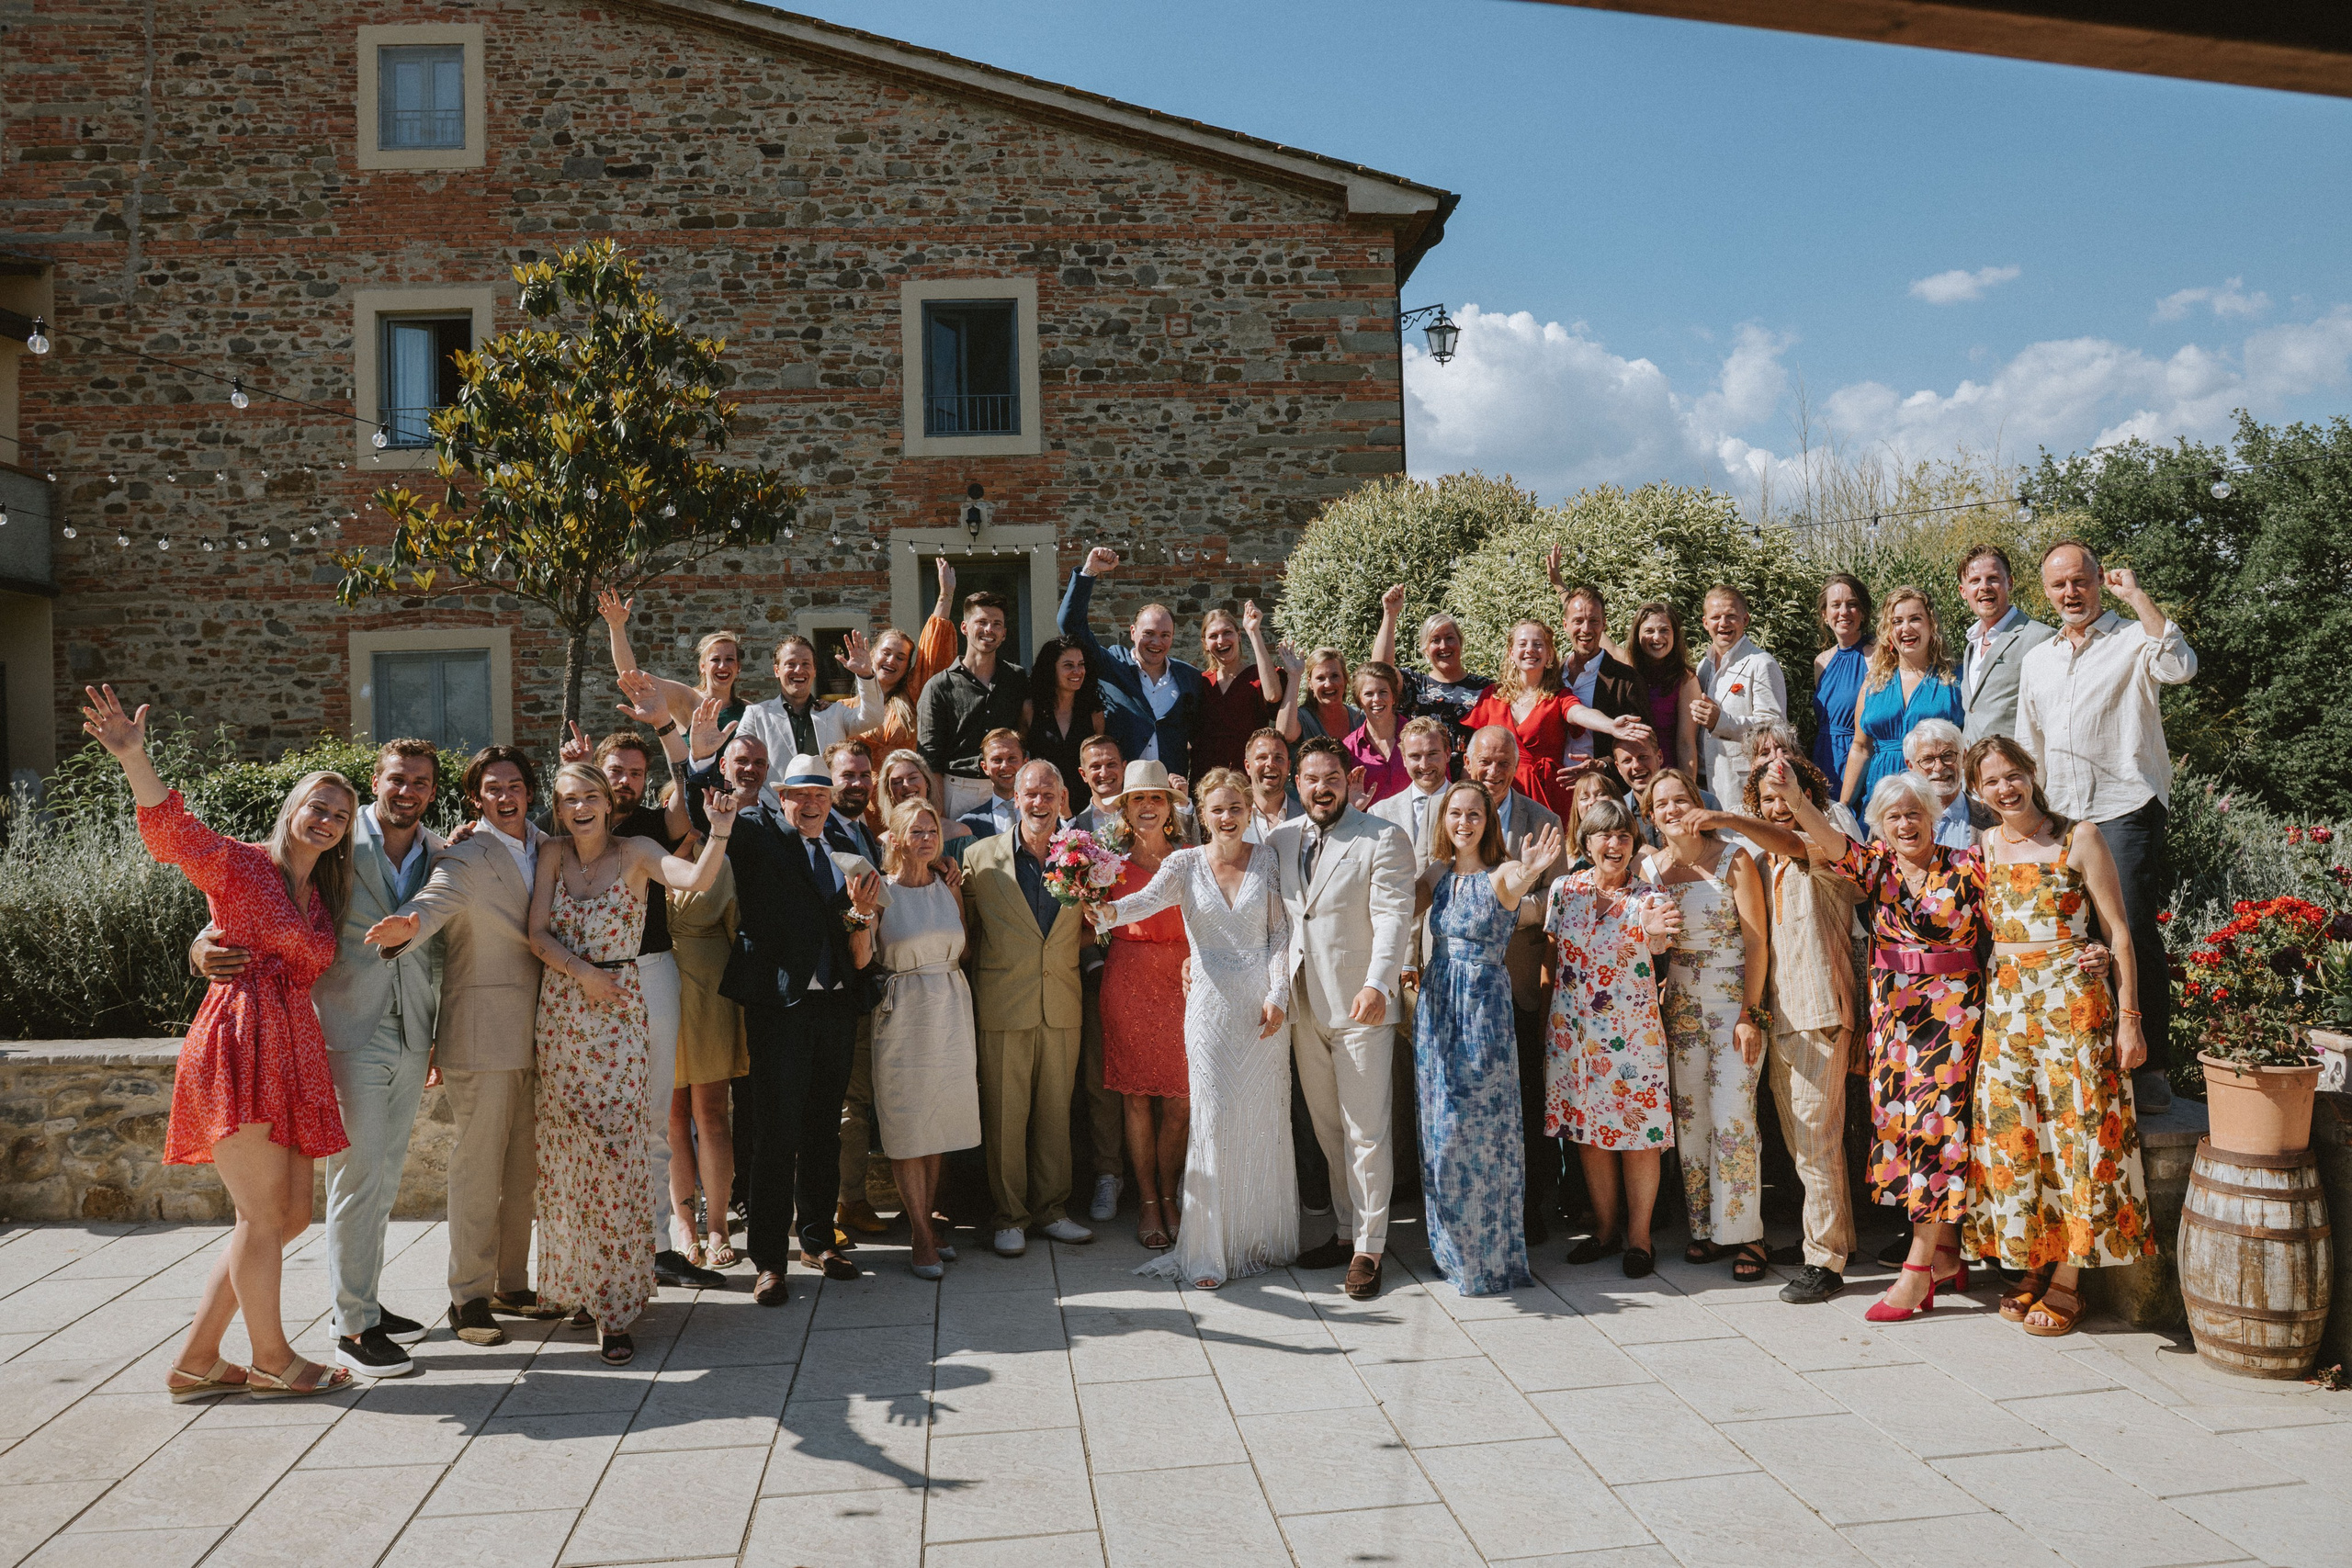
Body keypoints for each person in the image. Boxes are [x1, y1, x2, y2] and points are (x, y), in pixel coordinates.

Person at [84, 685, 357, 1401]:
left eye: (339, 815)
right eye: (317, 805)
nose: (326, 819)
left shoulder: (320, 895)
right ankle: (272, 1358)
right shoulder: (239, 864)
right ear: (292, 808)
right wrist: (134, 758)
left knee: (285, 1215)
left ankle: (198, 1360)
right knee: (267, 1215)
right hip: (239, 1043)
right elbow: (172, 833)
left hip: (290, 1048)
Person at [192, 739, 445, 1379]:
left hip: (412, 1030)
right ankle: (353, 1326)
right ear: (377, 781)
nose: (407, 789)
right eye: (396, 778)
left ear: (433, 791)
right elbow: (248, 899)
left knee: (380, 1180)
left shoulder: (440, 849)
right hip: (341, 1032)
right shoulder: (337, 839)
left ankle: (357, 1305)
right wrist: (202, 945)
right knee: (354, 1182)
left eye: (420, 780)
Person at [510, 764, 735, 1364]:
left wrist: (719, 831)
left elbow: (693, 878)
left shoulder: (636, 850)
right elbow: (536, 934)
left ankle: (615, 1306)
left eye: (590, 796)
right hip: (561, 1014)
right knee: (567, 1157)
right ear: (557, 807)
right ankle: (583, 1287)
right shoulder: (553, 853)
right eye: (568, 798)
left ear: (609, 803)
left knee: (617, 1153)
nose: (580, 806)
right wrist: (583, 973)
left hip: (619, 1017)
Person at [1769, 761, 1986, 1322]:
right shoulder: (1878, 868)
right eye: (1893, 816)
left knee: (1936, 1131)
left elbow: (2016, 924)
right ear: (1881, 826)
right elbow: (1826, 840)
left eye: (1914, 812)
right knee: (1903, 1130)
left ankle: (1917, 1269)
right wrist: (1795, 799)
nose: (1905, 824)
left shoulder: (1970, 867)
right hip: (1893, 1021)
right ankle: (1944, 1254)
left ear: (1933, 816)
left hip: (1951, 1019)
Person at [681, 728, 886, 1306]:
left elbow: (846, 922)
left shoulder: (845, 847)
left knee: (823, 1125)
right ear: (783, 797)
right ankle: (768, 1259)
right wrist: (698, 755)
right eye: (803, 795)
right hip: (779, 1004)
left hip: (837, 1001)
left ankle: (818, 1240)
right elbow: (704, 809)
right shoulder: (755, 833)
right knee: (774, 1132)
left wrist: (858, 916)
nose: (815, 804)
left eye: (823, 795)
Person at [1962, 736, 2155, 1336]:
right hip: (2009, 1013)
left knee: (2078, 1137)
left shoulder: (2081, 837)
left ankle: (2070, 1279)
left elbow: (2119, 935)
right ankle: (2033, 1262)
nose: (2005, 787)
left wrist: (2130, 1019)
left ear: (2030, 772)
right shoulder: (1985, 847)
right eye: (1991, 780)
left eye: (2013, 773)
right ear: (1978, 791)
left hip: (2074, 1012)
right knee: (2017, 1136)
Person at [368, 744, 558, 1348]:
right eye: (493, 788)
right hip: (481, 1031)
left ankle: (510, 1282)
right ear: (476, 798)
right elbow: (436, 896)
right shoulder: (466, 855)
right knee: (478, 1168)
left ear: (530, 789)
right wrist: (410, 925)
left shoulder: (547, 846)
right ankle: (467, 1297)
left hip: (542, 1030)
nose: (506, 795)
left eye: (515, 784)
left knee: (523, 1166)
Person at [1093, 769, 1296, 1288]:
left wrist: (1278, 994)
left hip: (1262, 1009)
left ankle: (1257, 1237)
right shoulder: (1183, 863)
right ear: (1200, 814)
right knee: (1208, 1116)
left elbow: (1280, 935)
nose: (1226, 817)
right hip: (1206, 1006)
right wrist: (1100, 905)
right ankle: (1207, 1249)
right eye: (1217, 809)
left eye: (1235, 808)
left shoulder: (1269, 860)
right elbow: (1139, 904)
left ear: (1249, 811)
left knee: (1259, 1116)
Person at [2015, 541, 2197, 1115]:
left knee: (2133, 928)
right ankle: (2091, 1061)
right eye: (2057, 585)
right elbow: (2027, 741)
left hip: (2124, 804)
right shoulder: (2037, 658)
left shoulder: (2132, 638)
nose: (2070, 593)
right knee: (2072, 936)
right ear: (2044, 592)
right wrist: (2028, 816)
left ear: (2100, 580)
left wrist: (2138, 597)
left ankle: (2152, 1068)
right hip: (2063, 814)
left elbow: (2180, 666)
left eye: (2081, 581)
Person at [1265, 738, 1416, 1301]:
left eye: (1331, 777)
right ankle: (1347, 1230)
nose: (1321, 787)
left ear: (1350, 779)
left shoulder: (1382, 837)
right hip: (1306, 1008)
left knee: (1366, 1131)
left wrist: (1379, 983)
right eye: (1310, 779)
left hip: (1361, 1005)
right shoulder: (1281, 839)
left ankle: (1370, 1250)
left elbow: (1394, 915)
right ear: (1296, 784)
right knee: (1329, 1131)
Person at [1712, 755, 1862, 1303]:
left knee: (1817, 1142)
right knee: (1802, 1143)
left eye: (1789, 799)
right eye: (1768, 802)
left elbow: (1796, 840)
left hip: (1819, 1010)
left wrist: (1728, 819)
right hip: (1781, 1016)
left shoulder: (1827, 844)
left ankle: (1827, 1261)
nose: (1779, 811)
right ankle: (1822, 1241)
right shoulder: (1764, 863)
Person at [591, 683, 726, 1292]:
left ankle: (654, 1241)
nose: (626, 778)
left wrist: (674, 734)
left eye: (635, 771)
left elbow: (694, 809)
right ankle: (602, 1246)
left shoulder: (650, 825)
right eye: (616, 769)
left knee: (654, 1115)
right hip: (586, 981)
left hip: (653, 973)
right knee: (596, 1117)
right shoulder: (564, 827)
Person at [1411, 783, 1564, 1295]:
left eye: (1474, 814)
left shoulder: (1500, 874)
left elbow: (1517, 881)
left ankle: (1488, 1255)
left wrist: (1533, 868)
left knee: (1480, 1131)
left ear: (1488, 820)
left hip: (1482, 1013)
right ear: (1443, 819)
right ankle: (1450, 1249)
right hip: (1437, 1005)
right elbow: (1393, 907)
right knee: (1441, 1129)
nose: (1463, 822)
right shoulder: (1435, 874)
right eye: (1455, 813)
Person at [964, 759, 1099, 1256]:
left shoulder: (1083, 857)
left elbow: (1093, 926)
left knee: (1055, 1114)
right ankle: (1010, 1216)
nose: (1039, 803)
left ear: (1062, 799)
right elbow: (966, 932)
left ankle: (1053, 1210)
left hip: (1061, 1002)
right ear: (1014, 799)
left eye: (1049, 794)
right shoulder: (979, 858)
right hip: (1004, 1003)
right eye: (1031, 795)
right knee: (1005, 1115)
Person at [1639, 767, 1770, 1279]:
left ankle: (1748, 1235)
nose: (1672, 810)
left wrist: (1750, 1014)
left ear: (1698, 804)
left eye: (1680, 800)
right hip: (1679, 1010)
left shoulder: (1735, 859)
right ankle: (1706, 1229)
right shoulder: (1650, 870)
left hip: (1733, 1003)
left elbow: (1757, 942)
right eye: (1661, 804)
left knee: (1734, 1117)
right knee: (1691, 1122)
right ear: (1650, 816)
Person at [1545, 795, 1680, 1279]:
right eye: (1604, 833)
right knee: (1590, 1137)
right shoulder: (1565, 890)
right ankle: (1604, 1231)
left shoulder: (1650, 899)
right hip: (1574, 1037)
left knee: (1639, 1137)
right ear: (1585, 841)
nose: (1614, 843)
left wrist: (1649, 928)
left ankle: (1639, 1238)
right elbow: (1553, 953)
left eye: (1624, 834)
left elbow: (1661, 943)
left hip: (1632, 1039)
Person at [1461, 725, 1571, 1242]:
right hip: (1465, 988)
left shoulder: (1543, 820)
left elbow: (1557, 901)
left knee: (1526, 1099)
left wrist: (1502, 907)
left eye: (1504, 762)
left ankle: (1529, 1208)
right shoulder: (1455, 819)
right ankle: (1481, 1201)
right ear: (1468, 762)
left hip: (1521, 984)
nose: (1494, 772)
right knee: (1475, 1101)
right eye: (1485, 761)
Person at [873, 797, 981, 1279]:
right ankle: (919, 1233)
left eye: (931, 830)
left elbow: (966, 943)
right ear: (895, 839)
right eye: (915, 832)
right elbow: (866, 956)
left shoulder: (947, 884)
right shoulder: (880, 891)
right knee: (907, 1122)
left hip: (951, 1008)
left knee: (937, 1120)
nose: (926, 839)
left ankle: (928, 1220)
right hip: (902, 1013)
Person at [1095, 761, 1194, 1250]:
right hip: (1128, 978)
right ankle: (1149, 1201)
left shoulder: (1193, 857)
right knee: (1135, 1098)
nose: (1149, 807)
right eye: (1139, 799)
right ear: (1126, 810)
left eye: (1157, 798)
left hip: (1184, 980)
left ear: (1171, 808)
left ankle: (1172, 1192)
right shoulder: (1103, 865)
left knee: (1181, 1099)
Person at [664, 791, 747, 1269]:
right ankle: (683, 1223)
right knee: (673, 1116)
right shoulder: (648, 851)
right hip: (657, 988)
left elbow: (738, 926)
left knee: (712, 1113)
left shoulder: (723, 858)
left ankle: (717, 1224)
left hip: (710, 991)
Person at [824, 739, 894, 1244]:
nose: (858, 783)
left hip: (862, 981)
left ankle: (851, 1200)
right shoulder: (821, 833)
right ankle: (832, 1206)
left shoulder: (861, 831)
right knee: (838, 1102)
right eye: (848, 775)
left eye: (865, 775)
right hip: (833, 985)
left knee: (856, 1100)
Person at [1060, 546, 1206, 775]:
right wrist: (1089, 572)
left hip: (1170, 793)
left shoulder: (1190, 678)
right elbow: (1070, 624)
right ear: (1132, 632)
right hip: (1121, 789)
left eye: (1164, 635)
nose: (1156, 642)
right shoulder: (1112, 666)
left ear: (1173, 637)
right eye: (1148, 633)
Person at [703, 632, 887, 809]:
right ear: (777, 670)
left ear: (814, 670)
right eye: (791, 664)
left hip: (831, 818)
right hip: (775, 818)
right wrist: (775, 810)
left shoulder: (834, 712)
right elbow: (741, 765)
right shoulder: (756, 715)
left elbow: (873, 717)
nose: (799, 670)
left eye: (806, 664)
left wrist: (865, 675)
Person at [1842, 586, 1964, 808]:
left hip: (1938, 797)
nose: (1905, 628)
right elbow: (1861, 748)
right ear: (1889, 631)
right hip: (1881, 795)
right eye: (1897, 622)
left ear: (1931, 626)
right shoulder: (1874, 683)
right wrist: (1844, 805)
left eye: (1915, 619)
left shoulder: (1955, 679)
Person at [919, 589, 1032, 820]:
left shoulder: (1017, 678)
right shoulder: (939, 686)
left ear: (1004, 633)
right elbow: (931, 758)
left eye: (996, 624)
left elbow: (1027, 732)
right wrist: (939, 815)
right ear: (964, 627)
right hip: (959, 792)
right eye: (981, 622)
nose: (989, 630)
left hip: (1009, 790)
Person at [1464, 619, 1579, 817]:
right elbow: (1473, 754)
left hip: (1548, 794)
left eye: (1538, 644)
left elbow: (1580, 714)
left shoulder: (1559, 696)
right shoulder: (1492, 695)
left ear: (1549, 655)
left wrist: (1612, 726)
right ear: (1511, 653)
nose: (1530, 650)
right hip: (1496, 790)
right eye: (1523, 644)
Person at [596, 589, 748, 734]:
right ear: (702, 667)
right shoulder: (686, 698)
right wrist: (616, 628)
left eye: (729, 659)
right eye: (715, 659)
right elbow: (632, 677)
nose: (722, 666)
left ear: (738, 667)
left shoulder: (749, 710)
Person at [1692, 586, 1788, 815]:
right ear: (1705, 623)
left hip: (1742, 783)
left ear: (1745, 619)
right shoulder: (1703, 666)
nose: (1723, 623)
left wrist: (1721, 722)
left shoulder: (1761, 663)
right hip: (1704, 784)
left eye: (1731, 616)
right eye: (1716, 617)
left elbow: (1775, 728)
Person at [1370, 585, 1493, 761]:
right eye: (1435, 640)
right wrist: (1390, 614)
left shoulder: (1485, 688)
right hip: (1425, 778)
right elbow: (1379, 673)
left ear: (1460, 643)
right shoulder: (1413, 685)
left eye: (1450, 638)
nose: (1444, 646)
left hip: (1469, 782)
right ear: (1425, 649)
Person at [867, 558, 966, 766]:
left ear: (907, 667)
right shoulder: (846, 707)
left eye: (900, 657)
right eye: (886, 653)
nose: (891, 660)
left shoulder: (912, 698)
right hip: (861, 795)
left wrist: (945, 595)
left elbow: (934, 649)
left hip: (903, 790)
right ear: (872, 654)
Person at [1956, 544, 2053, 746]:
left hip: (2016, 771)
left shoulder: (2040, 638)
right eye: (1975, 581)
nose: (1984, 586)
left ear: (2009, 583)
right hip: (1973, 773)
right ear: (1963, 591)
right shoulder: (1970, 646)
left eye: (1993, 578)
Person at [1554, 583, 1652, 777]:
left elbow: (1642, 742)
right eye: (1578, 621)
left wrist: (1603, 766)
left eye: (1593, 621)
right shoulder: (1551, 677)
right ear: (1565, 625)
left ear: (1604, 624)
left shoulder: (1626, 681)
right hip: (1553, 789)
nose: (1586, 629)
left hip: (1603, 788)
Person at [1193, 601, 1283, 775]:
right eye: (1213, 636)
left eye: (1227, 633)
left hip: (1247, 776)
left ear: (1238, 636)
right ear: (1204, 643)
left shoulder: (1257, 676)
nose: (1221, 641)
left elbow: (1273, 696)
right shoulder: (1199, 682)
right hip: (1206, 777)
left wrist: (1254, 632)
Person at [1026, 634, 1107, 811]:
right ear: (1051, 669)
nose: (1077, 671)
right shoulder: (1031, 709)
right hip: (1042, 805)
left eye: (1081, 665)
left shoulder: (1094, 712)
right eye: (1068, 665)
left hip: (1084, 806)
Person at [1626, 601, 1702, 773]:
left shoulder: (1686, 680)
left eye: (1664, 630)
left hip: (1667, 775)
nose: (1657, 637)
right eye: (1649, 631)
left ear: (1675, 634)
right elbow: (1596, 631)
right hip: (1631, 774)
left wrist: (1687, 790)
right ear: (1637, 635)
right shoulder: (1627, 671)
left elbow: (1686, 743)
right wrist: (1561, 588)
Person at [1811, 574, 1872, 784]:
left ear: (1862, 612)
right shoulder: (1821, 662)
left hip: (1860, 761)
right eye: (1836, 605)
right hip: (1824, 759)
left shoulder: (1877, 655)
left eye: (1852, 604)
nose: (1844, 612)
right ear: (1825, 615)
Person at [1370, 716, 1453, 855]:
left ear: (1448, 754)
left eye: (1432, 754)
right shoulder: (1379, 814)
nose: (1424, 765)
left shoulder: (1473, 807)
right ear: (1404, 759)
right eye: (1415, 756)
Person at [876, 749, 975, 857]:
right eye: (897, 782)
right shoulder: (884, 842)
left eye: (913, 778)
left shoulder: (958, 835)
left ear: (927, 782)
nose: (906, 785)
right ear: (889, 791)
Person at [1342, 661, 1412, 805]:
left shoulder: (1419, 737)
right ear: (1359, 701)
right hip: (1368, 825)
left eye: (1383, 692)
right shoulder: (1349, 748)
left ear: (1393, 697)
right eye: (1368, 694)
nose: (1376, 699)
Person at [1276, 643, 1362, 752]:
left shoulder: (1360, 718)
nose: (1328, 684)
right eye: (1320, 678)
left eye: (1335, 676)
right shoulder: (1303, 718)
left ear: (1345, 679)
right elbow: (1284, 734)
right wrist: (1294, 676)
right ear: (1310, 684)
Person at [956, 729, 1027, 840]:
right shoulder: (968, 823)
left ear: (1025, 763)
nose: (1004, 766)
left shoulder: (1044, 814)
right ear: (985, 767)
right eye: (997, 760)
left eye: (1012, 758)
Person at [1240, 726, 1304, 844]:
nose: (1270, 763)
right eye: (1262, 757)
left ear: (1288, 766)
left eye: (1278, 758)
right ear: (1248, 766)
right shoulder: (1231, 819)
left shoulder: (1307, 818)